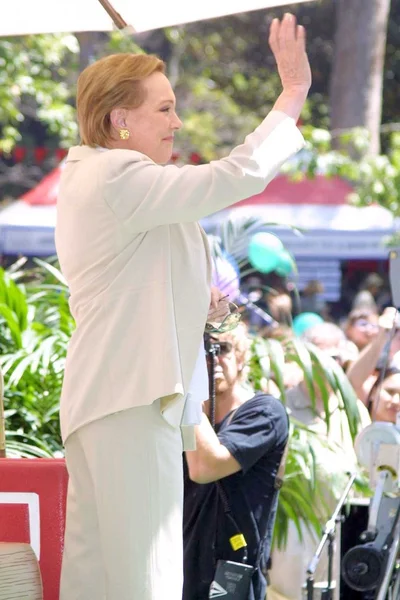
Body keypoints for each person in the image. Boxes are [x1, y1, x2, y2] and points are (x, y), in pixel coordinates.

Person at [55, 13, 311, 600]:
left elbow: (153, 273)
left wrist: (205, 302)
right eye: (163, 109)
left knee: (99, 582)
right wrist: (291, 95)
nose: (178, 122)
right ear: (119, 120)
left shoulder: (102, 180)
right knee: (146, 582)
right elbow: (234, 175)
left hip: (111, 402)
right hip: (130, 402)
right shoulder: (117, 174)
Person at [183, 324, 289, 600]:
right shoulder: (179, 414)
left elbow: (205, 466)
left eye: (222, 348)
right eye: (201, 352)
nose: (212, 359)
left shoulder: (265, 412)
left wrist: (185, 386)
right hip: (177, 573)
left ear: (241, 358)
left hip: (232, 580)